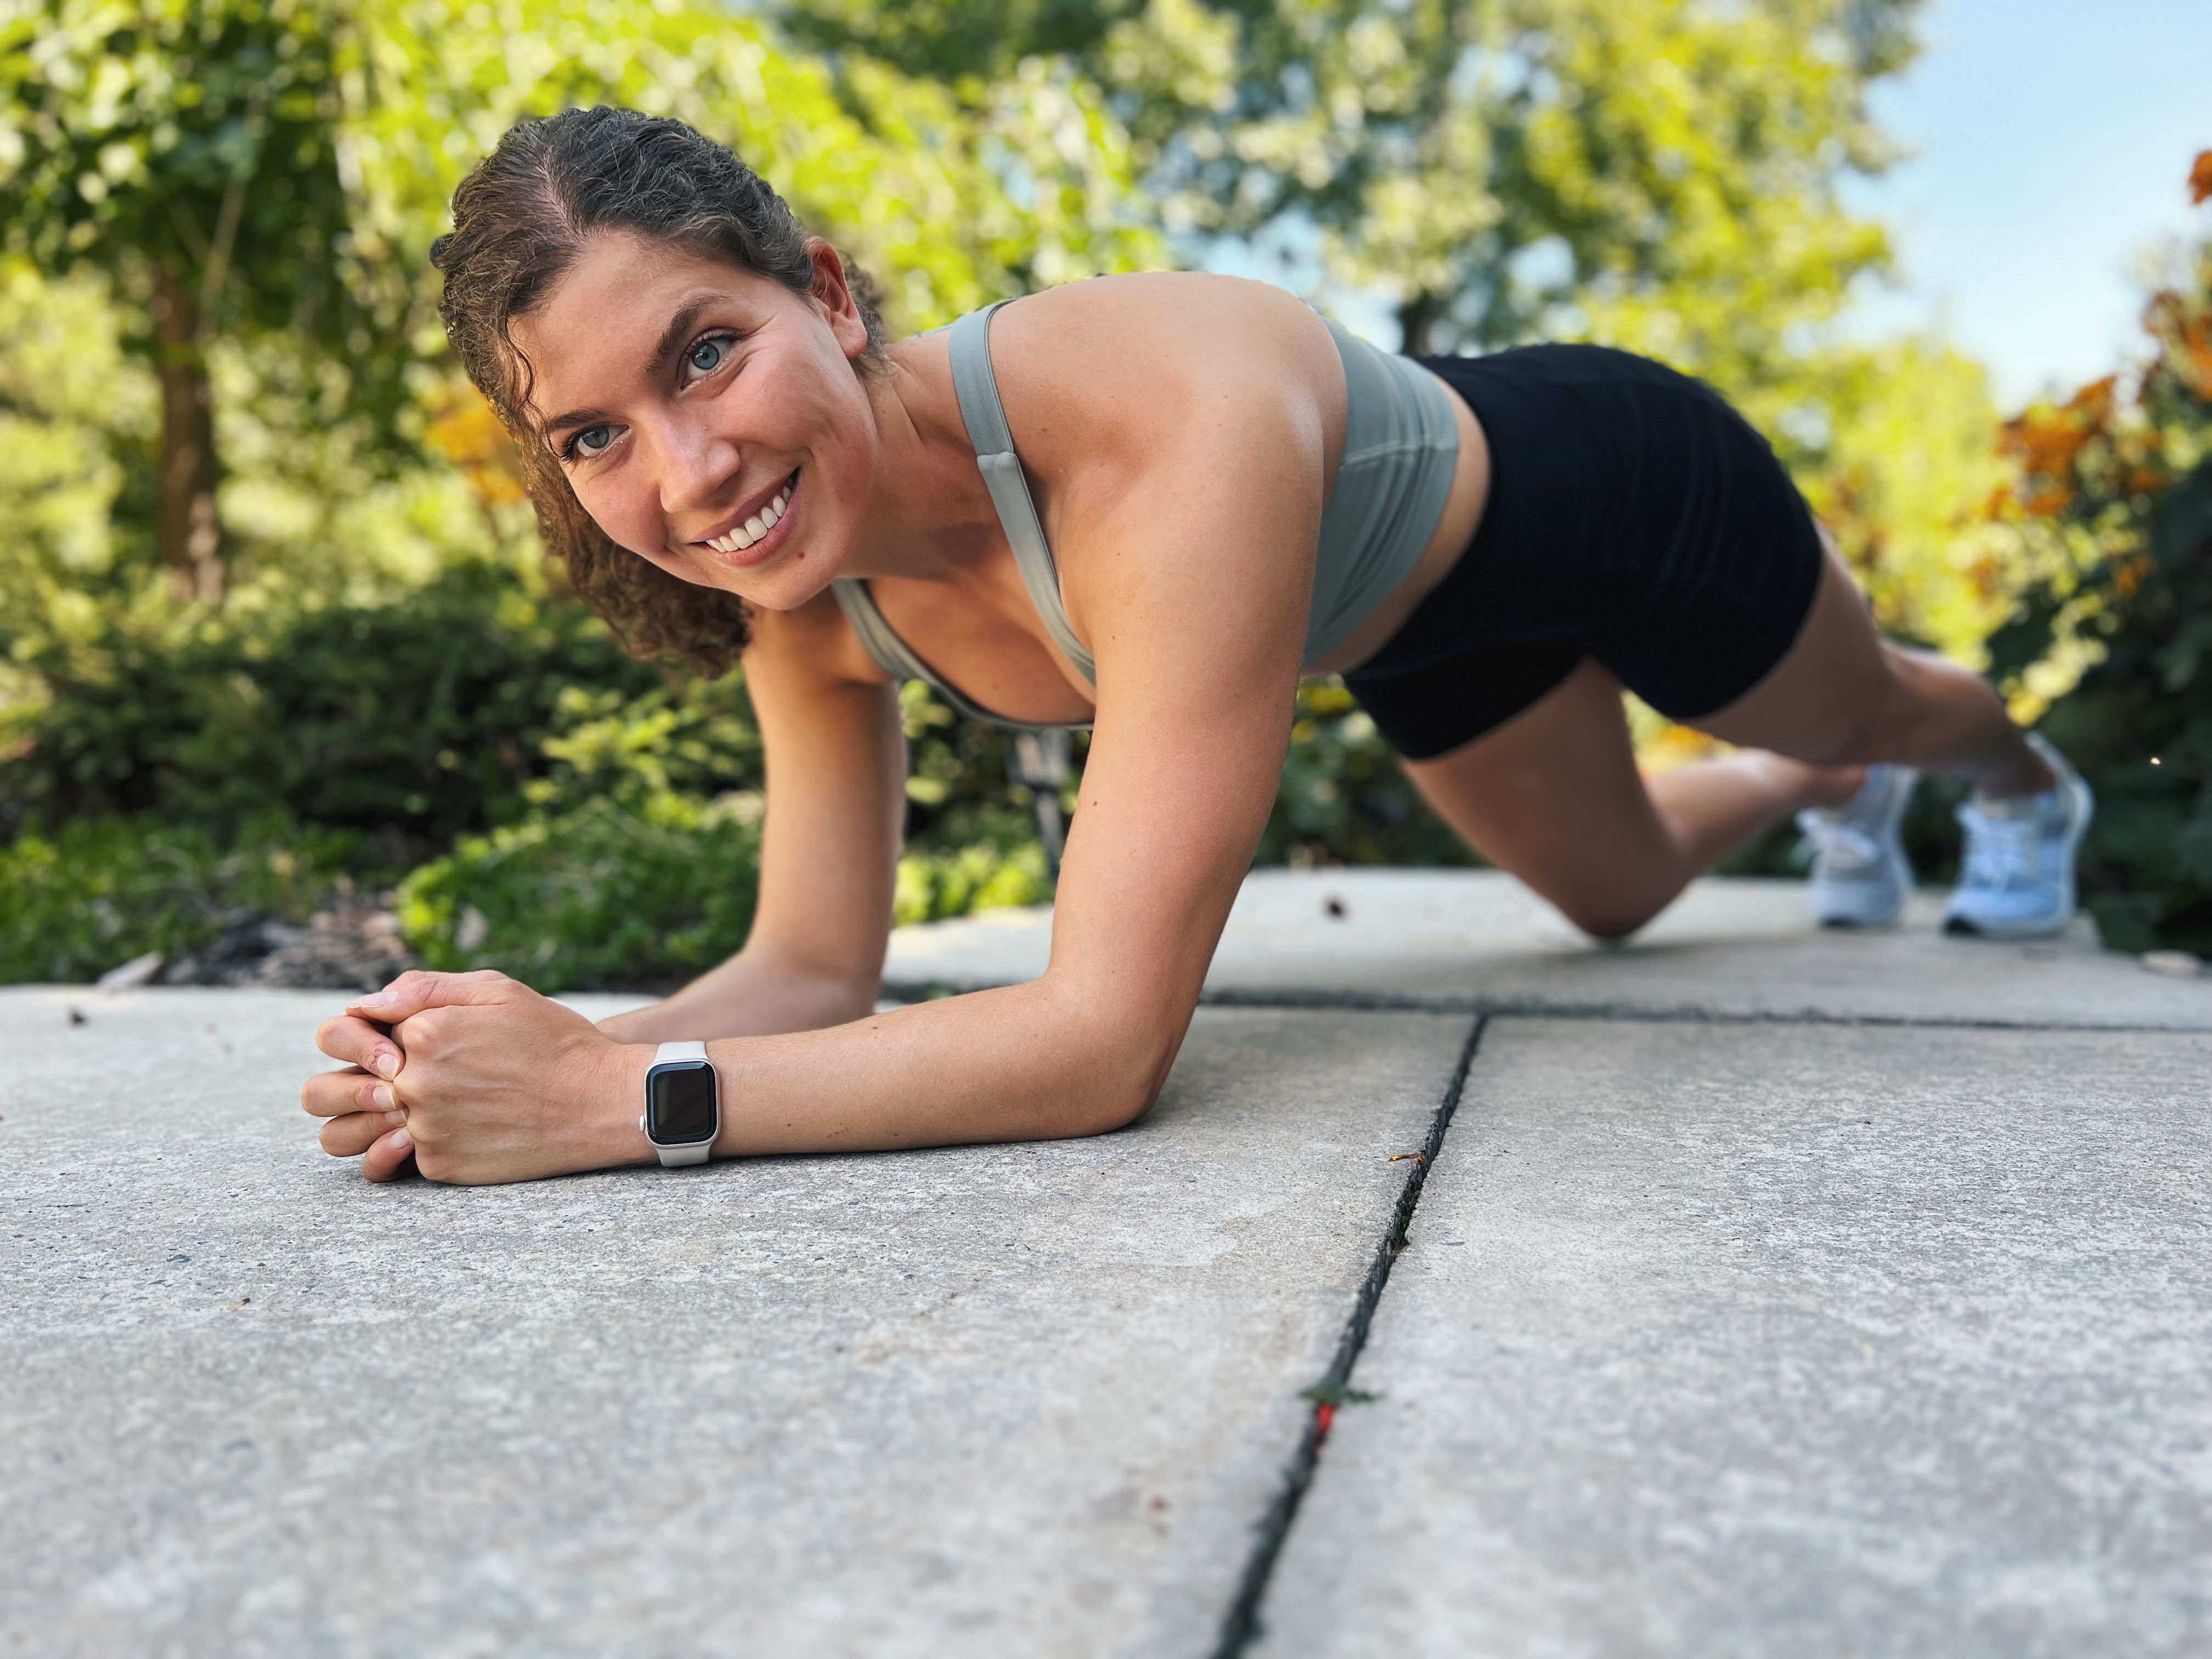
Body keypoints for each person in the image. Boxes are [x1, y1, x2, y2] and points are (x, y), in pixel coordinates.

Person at [302, 107, 2094, 1186]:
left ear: (830, 297)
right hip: (1415, 634)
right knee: (1616, 898)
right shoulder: (804, 587)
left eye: (705, 351)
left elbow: (1099, 1045)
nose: (690, 472)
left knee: (1882, 690)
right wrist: (539, 1055)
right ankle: (1818, 791)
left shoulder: (1159, 424)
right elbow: (807, 972)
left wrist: (612, 1110)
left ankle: (2009, 782)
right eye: (595, 434)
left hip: (1612, 490)